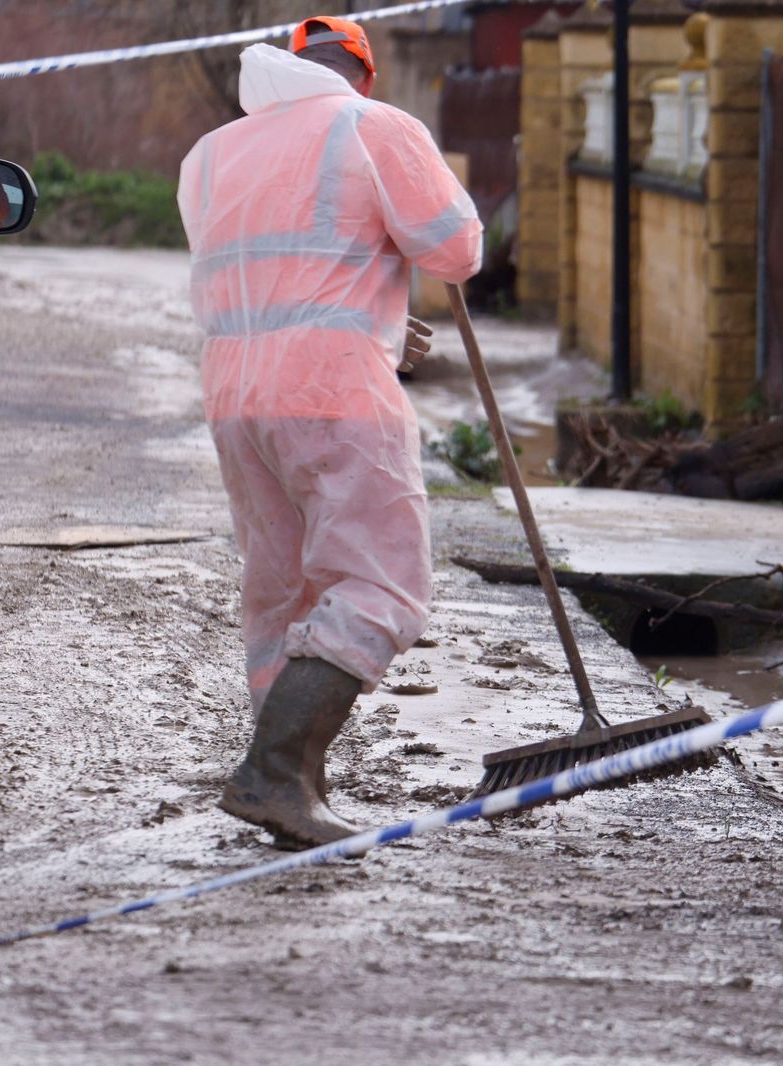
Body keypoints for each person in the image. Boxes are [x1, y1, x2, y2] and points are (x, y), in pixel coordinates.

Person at [176, 16, 482, 847]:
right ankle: (277, 768)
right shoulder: (372, 124)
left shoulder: (210, 155)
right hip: (335, 396)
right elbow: (455, 250)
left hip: (236, 396)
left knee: (281, 590)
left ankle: (293, 786)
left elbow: (275, 276)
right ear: (363, 75)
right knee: (383, 582)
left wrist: (377, 316)